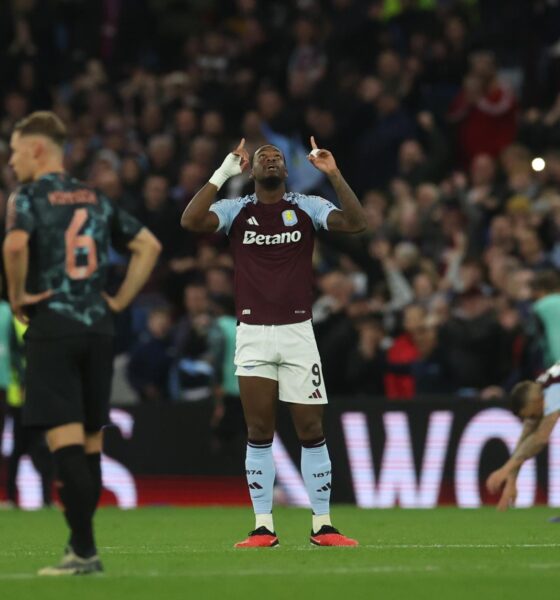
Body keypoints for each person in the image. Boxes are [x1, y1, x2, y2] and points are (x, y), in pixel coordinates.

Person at [181, 137, 366, 547]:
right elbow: (190, 222)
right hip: (253, 334)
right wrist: (222, 172)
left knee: (311, 427)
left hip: (299, 332)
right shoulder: (236, 210)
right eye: (263, 157)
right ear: (251, 171)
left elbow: (356, 223)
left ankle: (323, 525)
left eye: (277, 157)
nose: (270, 160)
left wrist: (333, 173)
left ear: (285, 170)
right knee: (259, 429)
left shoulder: (306, 206)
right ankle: (263, 526)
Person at [3, 111, 161, 575]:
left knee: (66, 445)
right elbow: (148, 245)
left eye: (14, 151)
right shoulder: (94, 198)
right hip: (99, 329)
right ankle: (82, 548)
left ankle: (84, 551)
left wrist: (16, 297)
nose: (11, 162)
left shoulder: (28, 196)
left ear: (37, 149)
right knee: (90, 443)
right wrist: (118, 301)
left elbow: (14, 247)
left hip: (54, 325)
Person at [485, 363, 560, 510]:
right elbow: (525, 438)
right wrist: (511, 480)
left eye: (532, 415)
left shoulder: (553, 389)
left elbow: (540, 438)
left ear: (536, 402)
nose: (533, 419)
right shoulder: (540, 387)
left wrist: (505, 469)